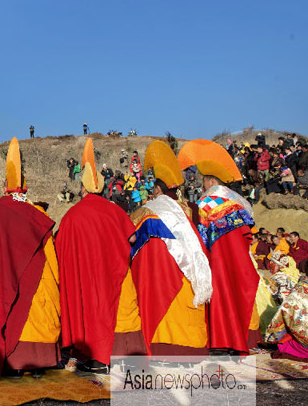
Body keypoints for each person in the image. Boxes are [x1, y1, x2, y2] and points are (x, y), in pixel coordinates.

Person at [0, 138, 61, 378]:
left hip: (4, 282)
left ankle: (12, 359)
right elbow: (51, 257)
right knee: (37, 308)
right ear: (26, 188)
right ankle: (40, 361)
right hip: (38, 281)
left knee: (12, 311)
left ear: (4, 188)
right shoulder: (38, 215)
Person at [57, 138, 146, 373]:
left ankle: (95, 359)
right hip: (113, 272)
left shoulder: (72, 216)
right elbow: (133, 238)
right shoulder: (114, 210)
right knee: (120, 311)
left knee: (91, 313)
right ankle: (125, 357)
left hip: (86, 276)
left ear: (84, 188)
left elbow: (61, 248)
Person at [177, 139, 260, 354]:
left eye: (204, 181)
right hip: (238, 259)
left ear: (210, 180)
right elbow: (248, 233)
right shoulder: (236, 203)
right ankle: (237, 340)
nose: (202, 185)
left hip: (216, 260)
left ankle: (221, 341)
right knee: (235, 296)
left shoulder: (205, 204)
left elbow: (198, 237)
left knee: (219, 298)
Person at [130, 141, 212, 356]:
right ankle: (192, 346)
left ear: (158, 189)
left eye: (154, 188)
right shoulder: (187, 211)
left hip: (158, 274)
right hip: (186, 273)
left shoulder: (148, 211)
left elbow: (130, 238)